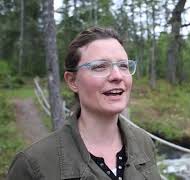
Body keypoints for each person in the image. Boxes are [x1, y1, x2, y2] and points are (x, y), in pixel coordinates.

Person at [7, 27, 161, 180]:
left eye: (123, 65)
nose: (117, 76)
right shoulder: (33, 165)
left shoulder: (144, 143)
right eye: (100, 66)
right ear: (72, 81)